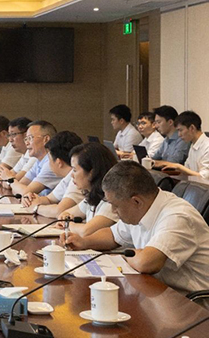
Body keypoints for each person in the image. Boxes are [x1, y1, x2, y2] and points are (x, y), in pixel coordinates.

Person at [62, 161, 209, 293]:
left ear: (136, 202)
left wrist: (122, 257)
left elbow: (146, 263)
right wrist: (84, 241)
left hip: (193, 303)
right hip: (159, 291)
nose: (113, 211)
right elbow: (113, 235)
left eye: (115, 205)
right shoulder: (142, 207)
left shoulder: (178, 216)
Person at [57, 142, 119, 236]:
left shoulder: (111, 200)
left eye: (75, 170)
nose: (72, 175)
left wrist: (67, 224)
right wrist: (66, 219)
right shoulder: (93, 195)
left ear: (92, 172)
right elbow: (65, 213)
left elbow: (86, 231)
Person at [22, 131, 84, 217]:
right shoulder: (68, 177)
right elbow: (49, 199)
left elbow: (59, 211)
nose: (48, 164)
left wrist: (35, 208)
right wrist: (31, 199)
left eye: (49, 159)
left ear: (59, 162)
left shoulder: (77, 179)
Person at [11, 120, 62, 196]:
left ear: (46, 139)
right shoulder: (39, 161)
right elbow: (20, 186)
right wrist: (15, 185)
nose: (27, 143)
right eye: (26, 139)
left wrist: (10, 179)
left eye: (30, 138)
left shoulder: (52, 162)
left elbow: (24, 192)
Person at [160, 111, 209, 179]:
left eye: (180, 130)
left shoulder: (207, 146)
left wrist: (178, 166)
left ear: (192, 128)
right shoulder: (193, 144)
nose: (179, 135)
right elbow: (187, 170)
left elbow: (204, 177)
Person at [0, 117, 35, 183]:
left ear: (26, 135)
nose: (10, 139)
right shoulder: (24, 155)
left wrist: (7, 180)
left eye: (13, 134)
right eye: (9, 135)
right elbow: (5, 178)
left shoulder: (35, 156)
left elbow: (12, 182)